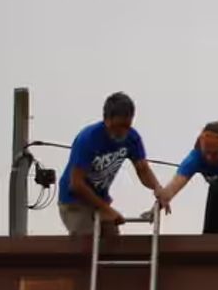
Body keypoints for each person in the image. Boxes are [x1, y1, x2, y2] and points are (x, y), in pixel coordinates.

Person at [58, 92, 163, 238]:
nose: (123, 131)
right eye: (120, 126)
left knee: (112, 241)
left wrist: (158, 188)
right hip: (75, 201)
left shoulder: (132, 138)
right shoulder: (88, 139)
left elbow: (142, 169)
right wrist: (107, 210)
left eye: (128, 125)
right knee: (86, 242)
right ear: (107, 120)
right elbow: (76, 185)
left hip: (100, 198)